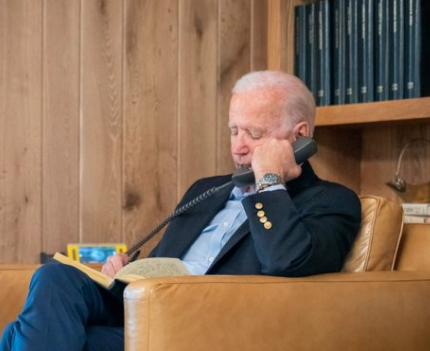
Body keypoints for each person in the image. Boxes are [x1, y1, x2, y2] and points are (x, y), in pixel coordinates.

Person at [0, 71, 361, 351]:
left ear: (299, 137)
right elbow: (168, 262)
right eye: (234, 130)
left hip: (201, 329)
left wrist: (269, 181)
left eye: (253, 133)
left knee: (39, 337)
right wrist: (130, 273)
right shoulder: (206, 189)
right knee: (54, 278)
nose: (238, 147)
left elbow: (287, 259)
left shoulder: (333, 201)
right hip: (145, 307)